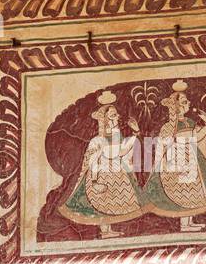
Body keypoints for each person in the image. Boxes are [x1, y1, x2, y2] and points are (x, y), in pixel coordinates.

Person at [58, 92, 144, 238]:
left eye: (116, 114)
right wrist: (95, 181)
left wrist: (136, 132)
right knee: (102, 202)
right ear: (105, 119)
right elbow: (96, 161)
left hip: (117, 175)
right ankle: (104, 231)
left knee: (112, 203)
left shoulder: (117, 136)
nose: (117, 117)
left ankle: (108, 230)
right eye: (113, 115)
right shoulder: (97, 141)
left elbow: (123, 149)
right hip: (102, 176)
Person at [142, 80, 206, 231]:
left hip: (191, 158)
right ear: (176, 106)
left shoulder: (189, 122)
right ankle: (184, 224)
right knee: (182, 192)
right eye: (184, 101)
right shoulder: (168, 126)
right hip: (177, 161)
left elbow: (196, 137)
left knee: (192, 190)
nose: (188, 103)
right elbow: (162, 146)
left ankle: (189, 222)